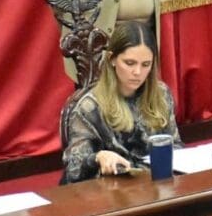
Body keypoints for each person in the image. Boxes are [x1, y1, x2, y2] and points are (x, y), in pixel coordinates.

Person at [61, 21, 181, 184]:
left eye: (146, 64)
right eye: (129, 63)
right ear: (112, 59)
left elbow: (176, 147)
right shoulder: (89, 107)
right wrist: (98, 157)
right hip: (114, 189)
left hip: (158, 185)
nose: (137, 72)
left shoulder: (161, 94)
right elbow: (73, 168)